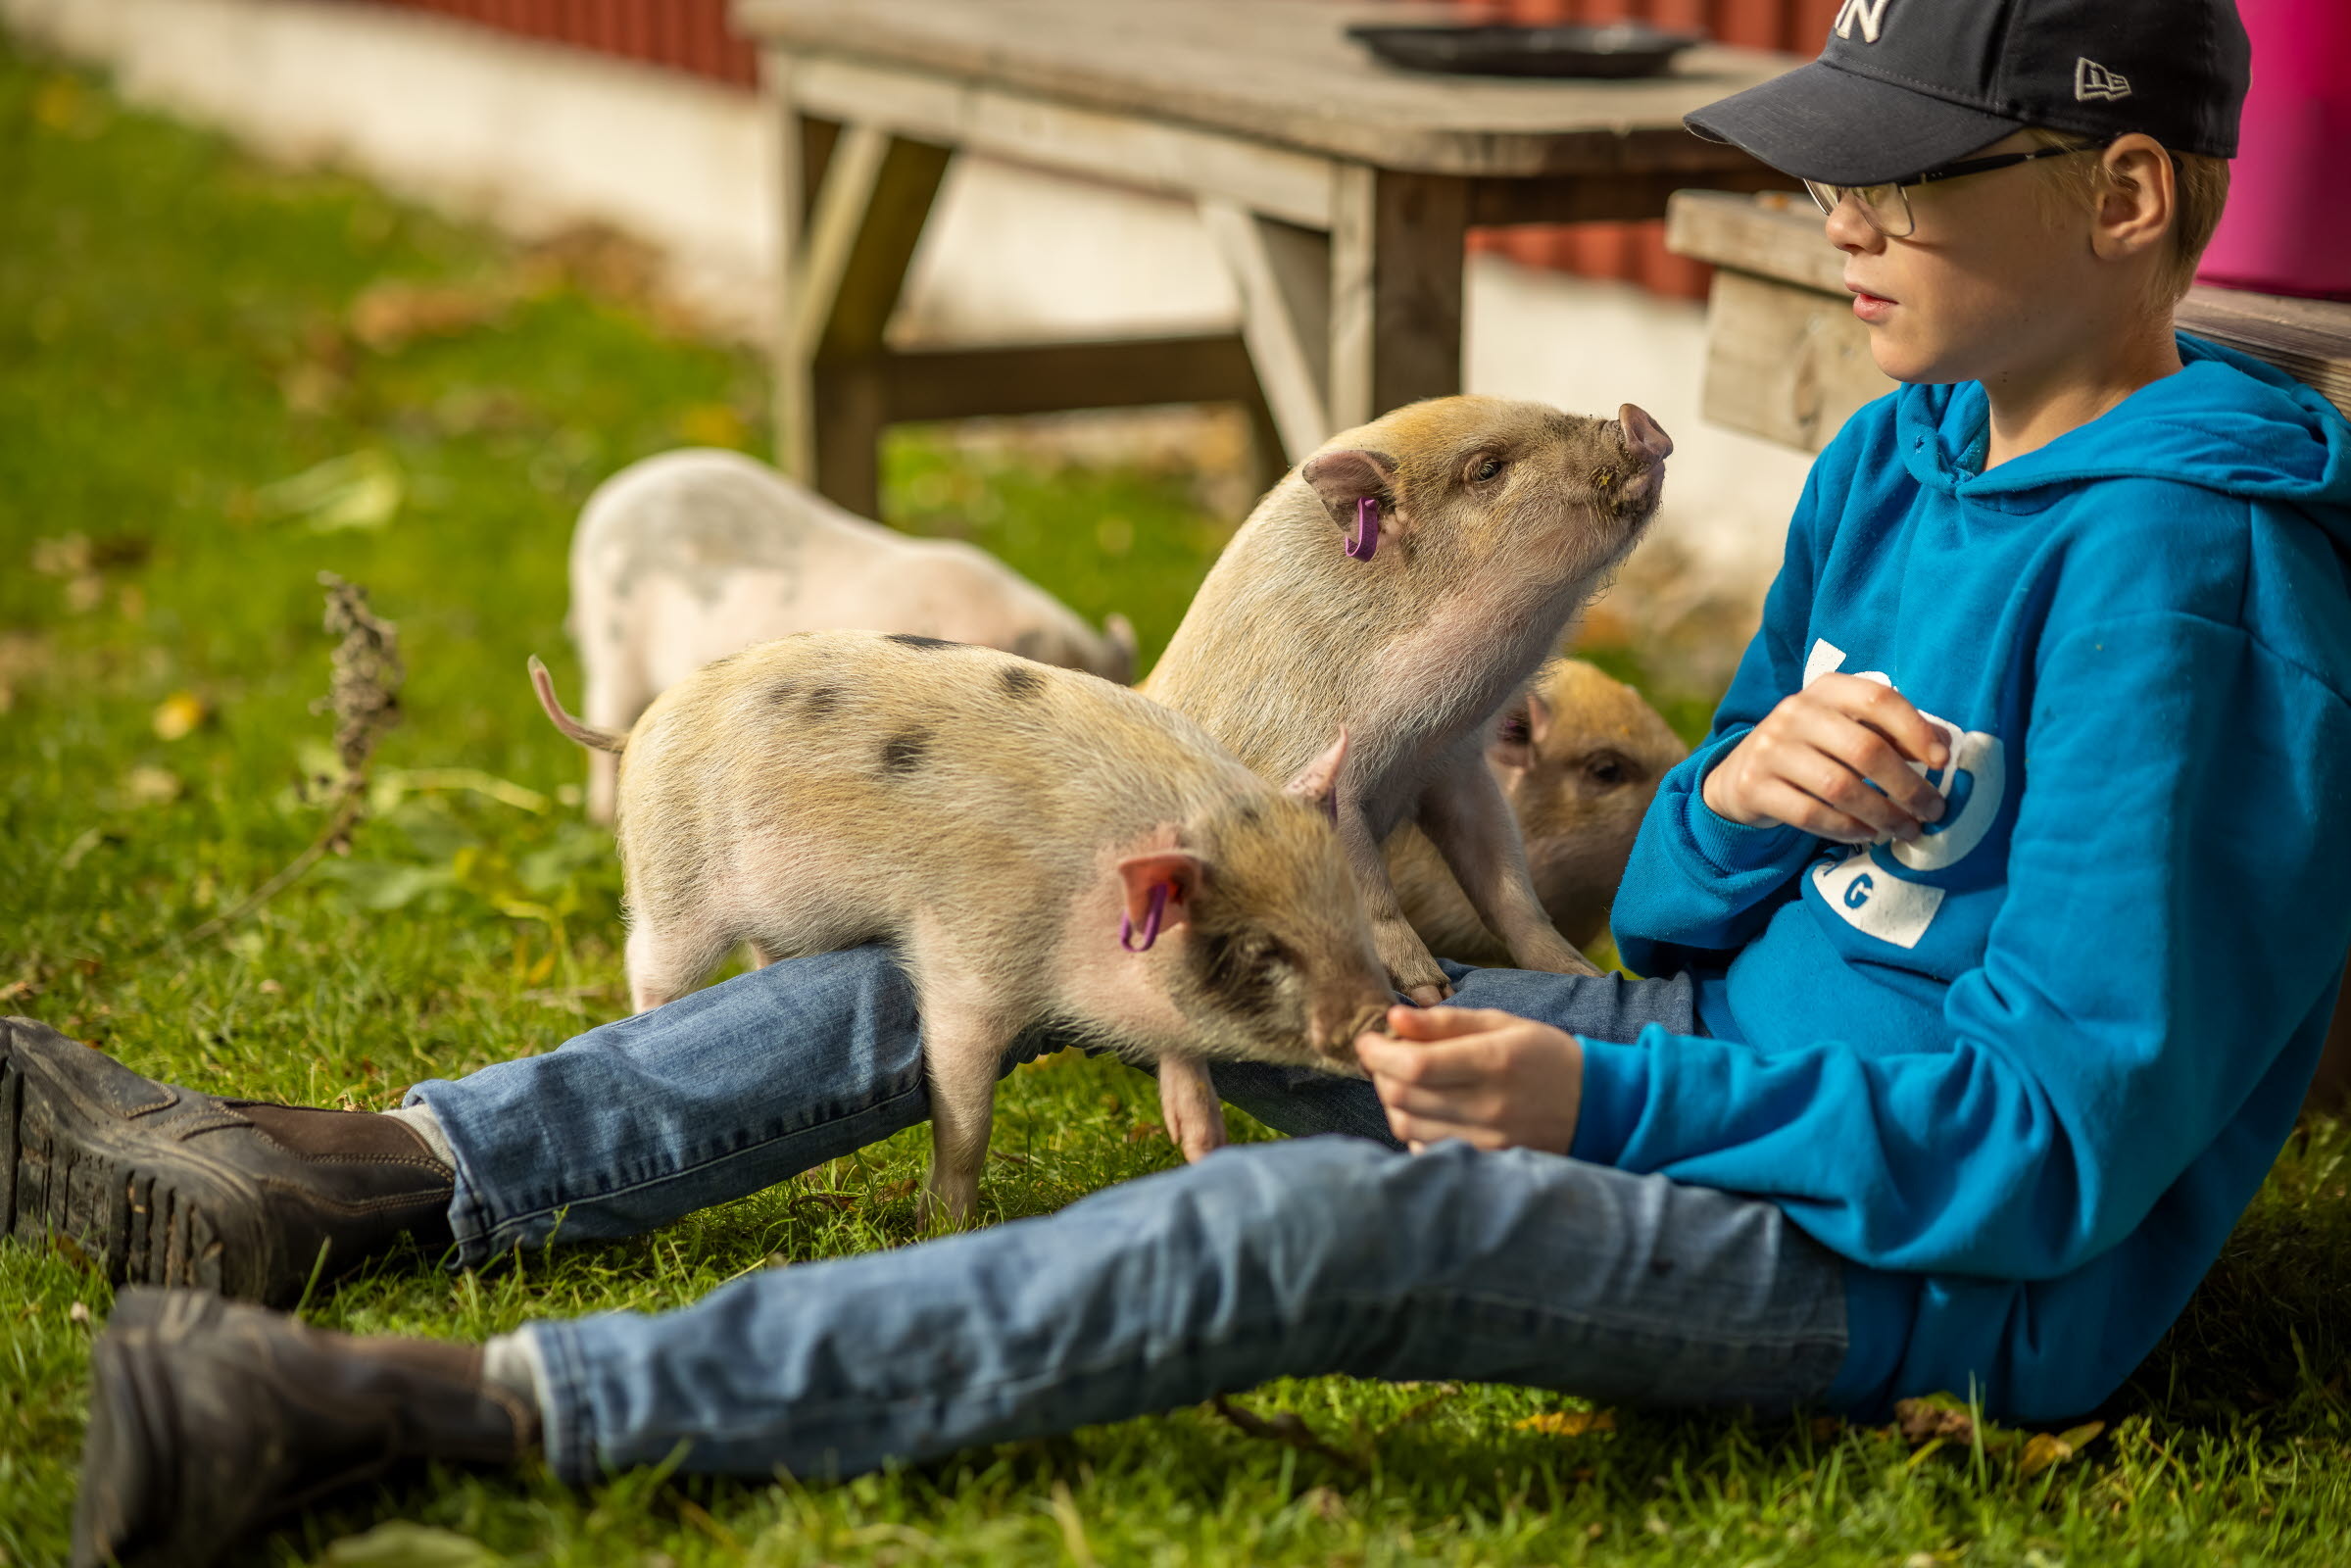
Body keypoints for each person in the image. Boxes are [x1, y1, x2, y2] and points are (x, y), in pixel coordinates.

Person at [21, 1, 2351, 1562]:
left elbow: (2055, 1160)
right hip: (1720, 1068)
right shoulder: (1908, 453)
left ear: (2127, 200)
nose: (1845, 220)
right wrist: (1742, 809)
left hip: (1914, 1269)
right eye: (1841, 167)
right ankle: (375, 1170)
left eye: (1911, 176)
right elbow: (1680, 925)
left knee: (1299, 1226)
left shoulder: (2194, 589)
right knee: (1064, 901)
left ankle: (440, 1408)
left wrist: (1596, 1109)